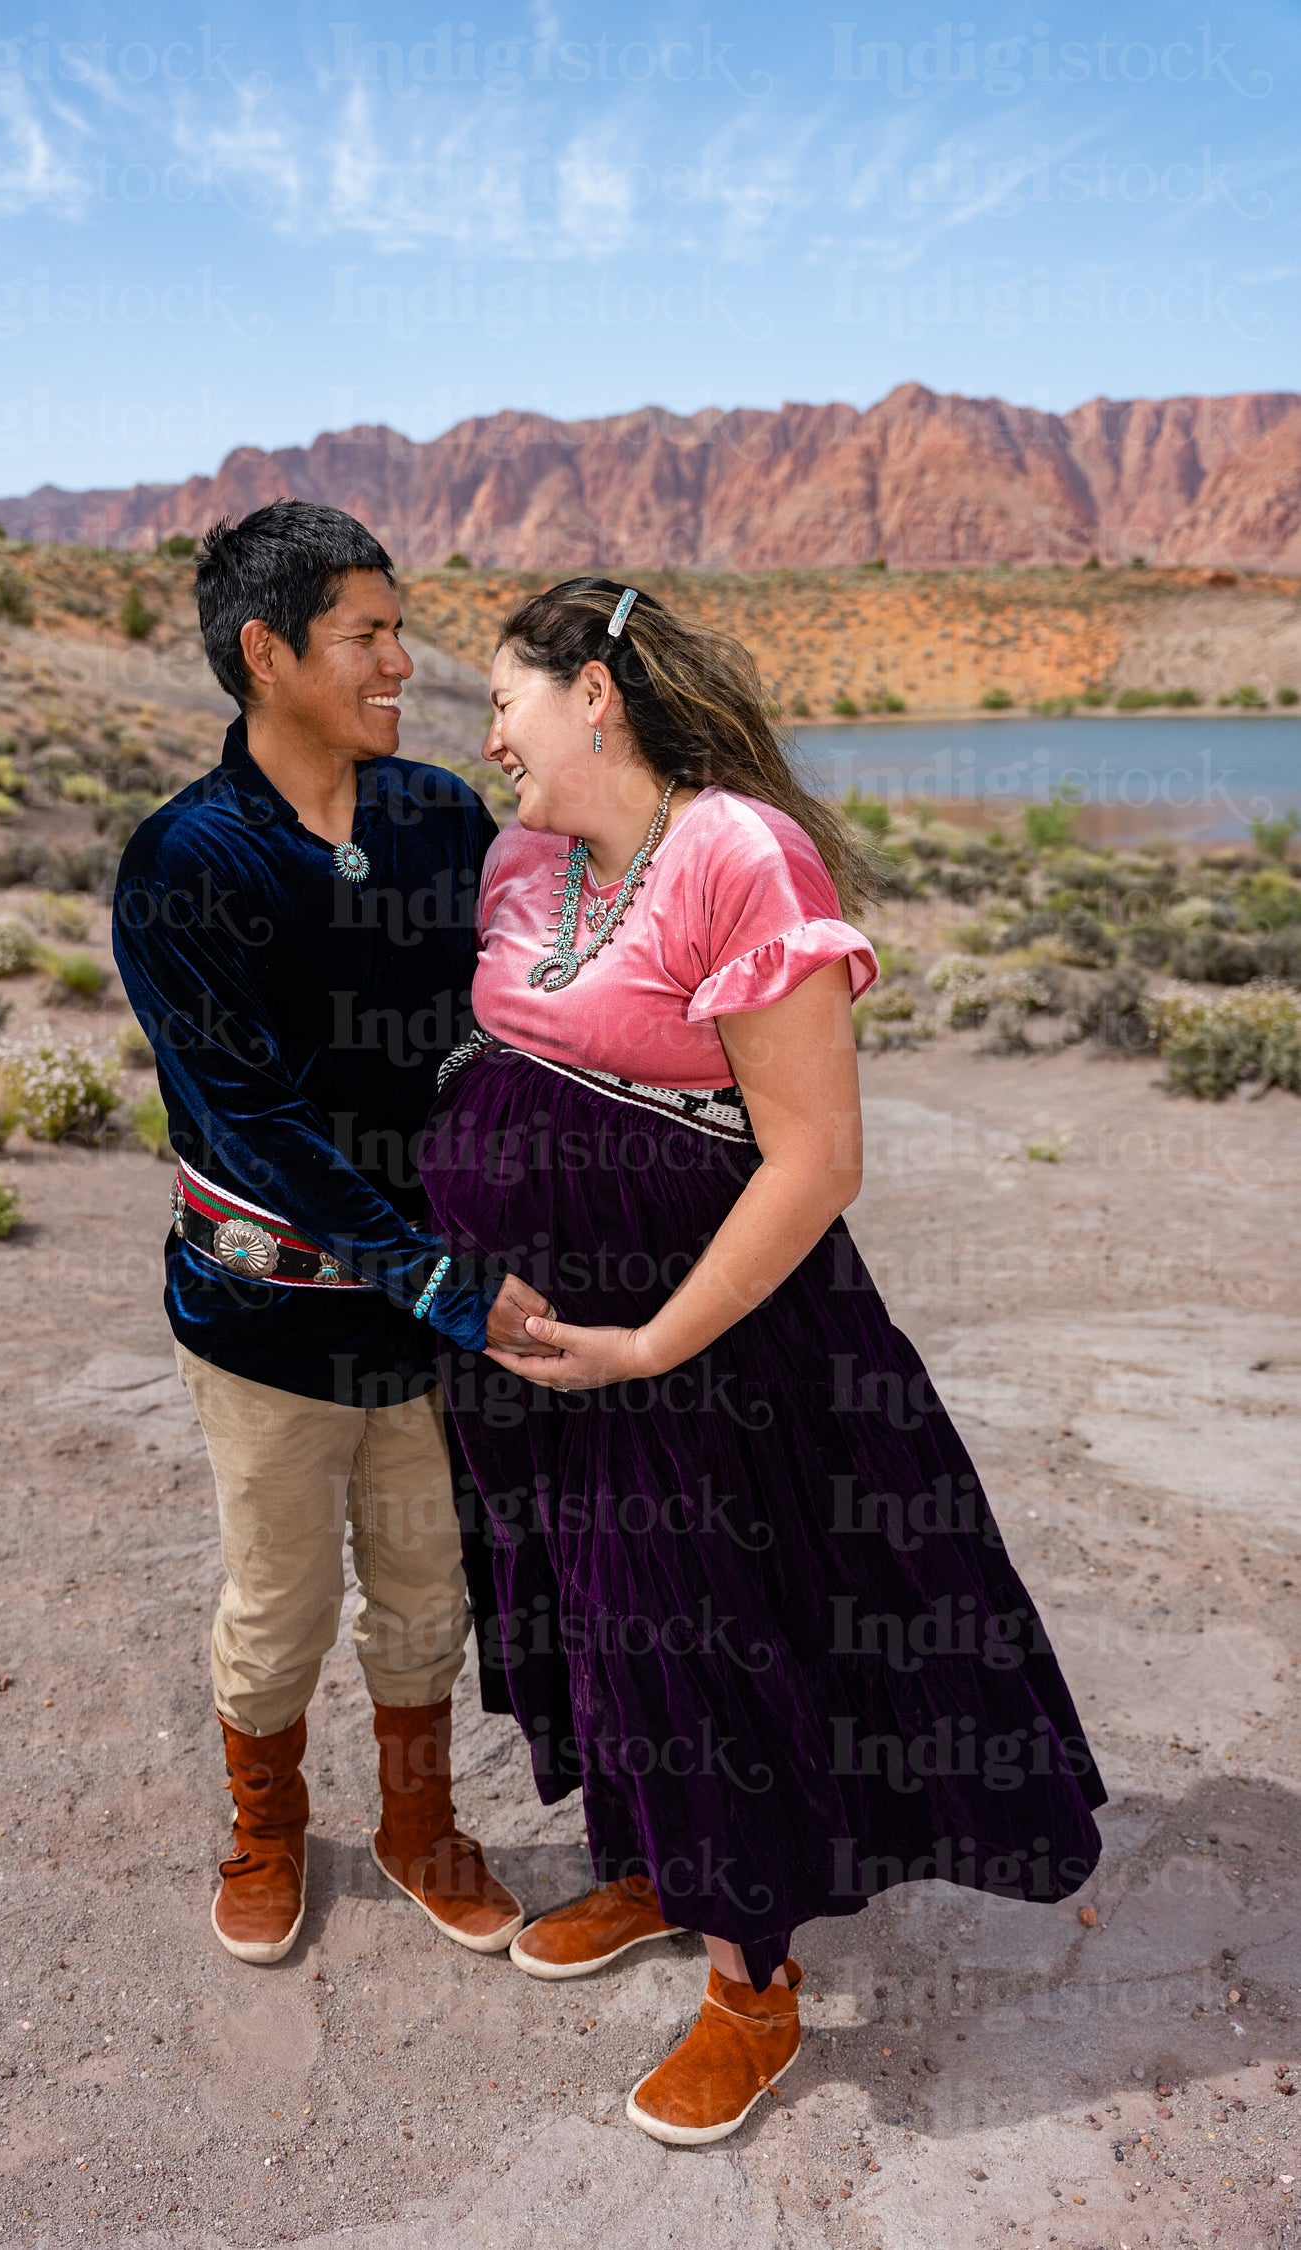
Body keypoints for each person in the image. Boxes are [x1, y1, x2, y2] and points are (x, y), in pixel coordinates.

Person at [419, 578, 1106, 2146]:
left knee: (703, 1633)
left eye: (507, 697)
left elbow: (814, 1158)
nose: (489, 732)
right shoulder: (523, 859)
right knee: (590, 1612)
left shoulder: (738, 852)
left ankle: (753, 1981)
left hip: (698, 1343)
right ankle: (661, 1870)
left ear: (593, 692)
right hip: (533, 1345)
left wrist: (650, 1339)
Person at [112, 500, 552, 1970]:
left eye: (397, 626)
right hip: (269, 1321)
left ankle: (423, 1828)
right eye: (368, 631)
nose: (401, 658)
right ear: (267, 651)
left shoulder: (437, 815)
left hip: (427, 1322)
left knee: (429, 1589)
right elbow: (250, 1122)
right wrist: (435, 1272)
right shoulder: (184, 862)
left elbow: (530, 997)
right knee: (281, 1598)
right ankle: (267, 1828)